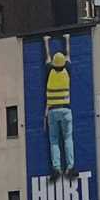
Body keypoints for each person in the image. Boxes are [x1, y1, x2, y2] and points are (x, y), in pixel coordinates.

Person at [42, 35, 75, 178]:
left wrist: (46, 41)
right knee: (68, 138)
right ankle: (70, 167)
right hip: (66, 109)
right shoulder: (67, 69)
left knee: (54, 141)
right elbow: (69, 54)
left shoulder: (49, 70)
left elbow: (47, 56)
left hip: (52, 111)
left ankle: (56, 168)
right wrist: (67, 39)